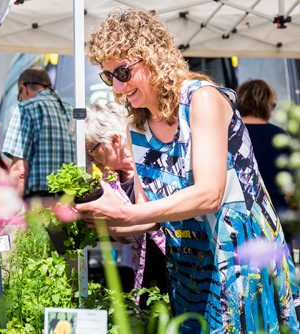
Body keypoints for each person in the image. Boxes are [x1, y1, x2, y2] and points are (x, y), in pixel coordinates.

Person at [77, 8, 299, 333]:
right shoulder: (136, 127)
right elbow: (146, 215)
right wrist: (103, 218)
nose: (117, 87)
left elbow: (210, 194)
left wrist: (127, 216)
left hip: (243, 266)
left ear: (152, 57)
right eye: (108, 76)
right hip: (190, 275)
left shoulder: (201, 100)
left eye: (123, 72)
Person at [85, 101, 167, 303]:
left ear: (114, 140)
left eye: (92, 149)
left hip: (173, 262)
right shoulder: (111, 182)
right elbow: (127, 239)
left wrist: (113, 225)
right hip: (144, 271)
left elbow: (155, 220)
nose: (90, 158)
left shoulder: (151, 163)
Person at [2, 68, 76, 201]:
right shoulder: (71, 109)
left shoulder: (24, 108)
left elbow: (20, 169)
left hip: (39, 202)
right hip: (71, 201)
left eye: (20, 96)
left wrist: (11, 209)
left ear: (24, 88)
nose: (21, 99)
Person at [237, 79, 291, 213]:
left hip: (240, 215)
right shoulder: (279, 136)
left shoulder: (229, 133)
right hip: (276, 214)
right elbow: (290, 189)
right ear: (268, 104)